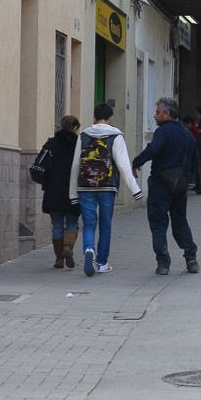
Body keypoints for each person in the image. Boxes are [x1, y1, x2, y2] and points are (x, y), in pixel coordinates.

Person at [69, 102, 143, 277]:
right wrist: (136, 190)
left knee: (88, 224)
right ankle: (102, 263)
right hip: (107, 187)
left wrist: (72, 193)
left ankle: (89, 249)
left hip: (85, 186)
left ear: (94, 118)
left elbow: (75, 165)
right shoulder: (116, 136)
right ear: (111, 118)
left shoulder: (83, 136)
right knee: (105, 225)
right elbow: (124, 165)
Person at [131, 98, 199, 276]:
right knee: (180, 220)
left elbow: (153, 150)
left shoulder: (162, 132)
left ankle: (163, 262)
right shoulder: (187, 134)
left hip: (160, 184)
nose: (155, 115)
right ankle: (191, 258)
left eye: (158, 112)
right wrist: (185, 178)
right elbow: (194, 159)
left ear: (167, 114)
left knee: (158, 223)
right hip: (179, 186)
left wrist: (136, 162)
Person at [37, 115, 82, 269]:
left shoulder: (51, 143)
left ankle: (59, 259)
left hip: (53, 190)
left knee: (57, 224)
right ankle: (68, 247)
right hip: (73, 191)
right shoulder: (79, 145)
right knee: (72, 222)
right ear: (75, 127)